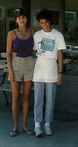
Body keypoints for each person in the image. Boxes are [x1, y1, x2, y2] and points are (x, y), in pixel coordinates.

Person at [33, 9, 66, 137]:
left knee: (50, 99)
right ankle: (37, 125)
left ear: (50, 21)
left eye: (46, 22)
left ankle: (47, 124)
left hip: (52, 68)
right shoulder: (37, 35)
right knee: (38, 99)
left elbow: (60, 55)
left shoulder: (58, 35)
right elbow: (33, 50)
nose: (44, 25)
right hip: (39, 68)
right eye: (41, 23)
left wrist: (60, 72)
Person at [7, 7, 36, 137]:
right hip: (16, 65)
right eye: (19, 18)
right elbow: (8, 54)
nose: (22, 20)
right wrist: (10, 71)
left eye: (23, 17)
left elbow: (36, 47)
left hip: (29, 64)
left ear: (27, 19)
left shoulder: (33, 32)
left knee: (26, 97)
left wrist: (31, 54)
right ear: (16, 20)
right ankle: (15, 126)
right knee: (15, 98)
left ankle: (25, 125)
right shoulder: (11, 34)